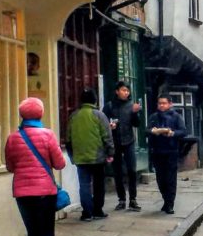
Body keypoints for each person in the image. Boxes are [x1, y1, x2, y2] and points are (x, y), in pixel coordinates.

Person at [5, 97, 66, 236]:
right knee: (47, 234)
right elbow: (59, 164)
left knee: (33, 234)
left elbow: (10, 167)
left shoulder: (13, 138)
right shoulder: (47, 135)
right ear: (40, 114)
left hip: (22, 193)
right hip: (44, 193)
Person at [66, 88, 114, 221]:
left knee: (84, 185)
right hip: (97, 157)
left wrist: (72, 156)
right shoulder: (99, 115)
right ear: (95, 100)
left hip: (80, 158)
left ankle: (87, 212)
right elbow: (107, 136)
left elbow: (68, 139)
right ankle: (97, 210)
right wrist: (110, 152)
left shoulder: (73, 116)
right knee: (98, 185)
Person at [103, 81, 142, 211]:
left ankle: (133, 199)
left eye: (127, 91)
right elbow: (103, 123)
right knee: (117, 171)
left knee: (131, 170)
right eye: (123, 90)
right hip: (115, 142)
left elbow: (137, 124)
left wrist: (136, 113)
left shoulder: (132, 106)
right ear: (117, 91)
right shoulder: (109, 106)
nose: (126, 93)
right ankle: (121, 199)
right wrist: (110, 126)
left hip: (129, 140)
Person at [147, 94, 187, 214]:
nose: (161, 105)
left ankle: (170, 204)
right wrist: (153, 131)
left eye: (164, 103)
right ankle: (165, 199)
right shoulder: (153, 117)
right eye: (159, 103)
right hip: (157, 151)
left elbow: (183, 131)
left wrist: (173, 133)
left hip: (171, 151)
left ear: (170, 104)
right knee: (160, 179)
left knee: (170, 179)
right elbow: (146, 130)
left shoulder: (176, 117)